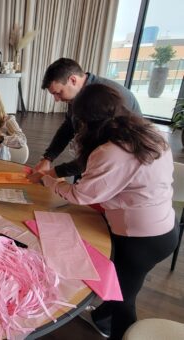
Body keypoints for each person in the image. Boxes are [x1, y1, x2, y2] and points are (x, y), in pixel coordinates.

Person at [39, 84, 178, 340]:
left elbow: (82, 194)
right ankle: (101, 316)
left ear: (86, 120)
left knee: (123, 296)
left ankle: (120, 333)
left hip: (141, 238)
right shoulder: (148, 133)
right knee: (123, 282)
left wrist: (51, 182)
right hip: (166, 227)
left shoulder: (110, 151)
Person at [29, 58, 142, 183]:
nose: (57, 99)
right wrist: (48, 158)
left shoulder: (104, 98)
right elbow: (68, 127)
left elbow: (97, 157)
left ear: (73, 80)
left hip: (119, 170)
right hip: (92, 160)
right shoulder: (78, 95)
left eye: (59, 93)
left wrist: (54, 173)